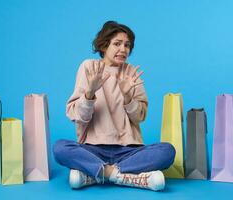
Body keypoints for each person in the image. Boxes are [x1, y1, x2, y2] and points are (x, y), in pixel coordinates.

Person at [53, 21, 176, 191]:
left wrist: (127, 98)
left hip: (129, 151)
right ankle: (126, 176)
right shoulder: (89, 67)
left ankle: (96, 174)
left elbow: (140, 117)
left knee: (167, 151)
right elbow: (77, 116)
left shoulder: (131, 72)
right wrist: (89, 93)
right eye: (117, 44)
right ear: (104, 46)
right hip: (92, 149)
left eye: (127, 45)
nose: (123, 49)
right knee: (60, 148)